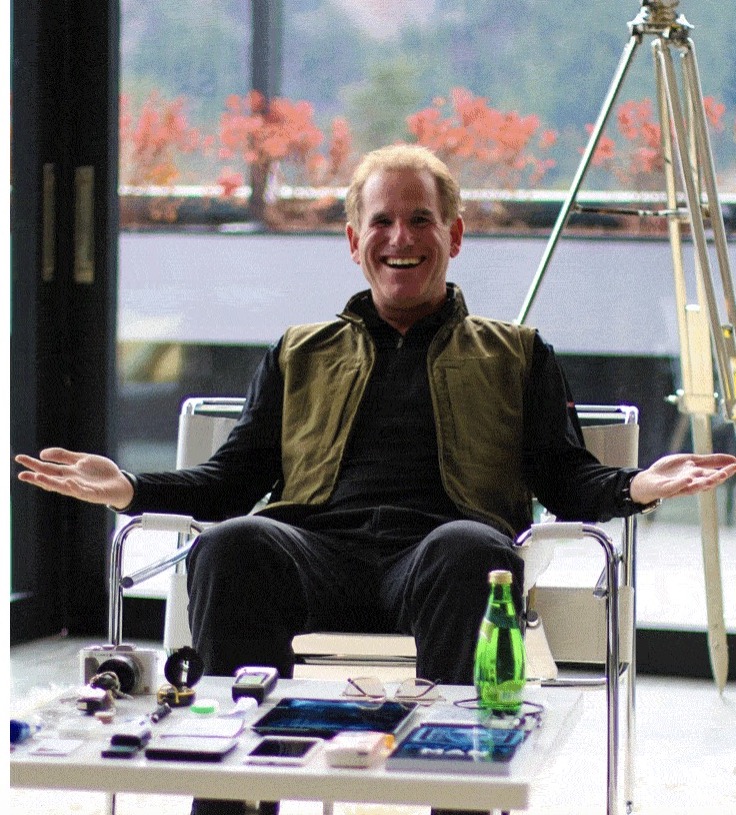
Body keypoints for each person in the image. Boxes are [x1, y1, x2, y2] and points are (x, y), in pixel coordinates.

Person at [16, 144, 736, 815]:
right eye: (382, 221)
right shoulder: (299, 352)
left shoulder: (515, 354)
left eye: (421, 219)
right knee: (232, 544)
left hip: (439, 559)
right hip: (316, 556)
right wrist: (130, 490)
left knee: (471, 552)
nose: (402, 238)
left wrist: (638, 484)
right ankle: (233, 802)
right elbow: (230, 481)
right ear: (354, 241)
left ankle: (463, 797)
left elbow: (569, 478)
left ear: (454, 236)